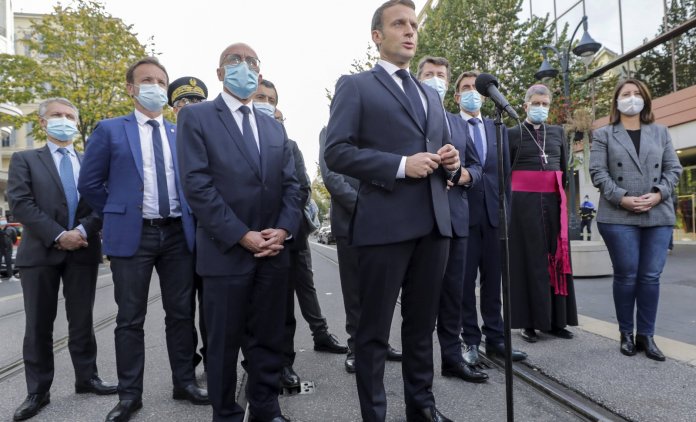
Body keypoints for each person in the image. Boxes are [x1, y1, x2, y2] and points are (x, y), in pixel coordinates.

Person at [324, 1, 462, 420]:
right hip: (384, 225)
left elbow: (435, 150)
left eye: (413, 25)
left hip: (434, 225)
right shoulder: (355, 86)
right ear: (377, 36)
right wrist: (400, 165)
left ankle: (423, 408)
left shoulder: (430, 95)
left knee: (421, 328)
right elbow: (336, 152)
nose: (409, 31)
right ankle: (375, 415)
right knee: (373, 332)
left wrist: (450, 160)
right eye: (399, 23)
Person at [177, 43, 302, 422]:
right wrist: (242, 235)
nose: (243, 67)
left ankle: (266, 408)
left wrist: (284, 229)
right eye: (234, 60)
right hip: (226, 253)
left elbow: (292, 185)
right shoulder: (196, 117)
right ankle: (227, 413)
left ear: (259, 74)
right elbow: (197, 186)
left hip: (273, 255)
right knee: (222, 345)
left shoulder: (273, 126)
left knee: (268, 340)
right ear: (219, 73)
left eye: (251, 62)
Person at [78, 57, 208, 422]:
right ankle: (129, 395)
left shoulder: (178, 133)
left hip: (177, 235)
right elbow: (89, 183)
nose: (155, 86)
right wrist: (118, 210)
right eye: (147, 80)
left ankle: (185, 382)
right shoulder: (109, 130)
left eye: (161, 81)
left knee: (181, 314)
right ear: (131, 88)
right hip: (133, 236)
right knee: (130, 319)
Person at [7, 98, 117, 421]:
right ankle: (38, 391)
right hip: (40, 252)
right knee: (38, 324)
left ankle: (87, 378)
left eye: (70, 116)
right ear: (43, 123)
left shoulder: (89, 161)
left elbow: (102, 202)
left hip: (83, 249)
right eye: (57, 115)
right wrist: (59, 235)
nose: (64, 120)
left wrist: (81, 230)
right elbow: (21, 203)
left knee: (82, 320)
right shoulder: (25, 159)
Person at [253, 80, 348, 391]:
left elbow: (301, 189)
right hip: (245, 237)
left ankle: (286, 361)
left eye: (271, 101)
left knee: (293, 296)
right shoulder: (232, 139)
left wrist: (283, 228)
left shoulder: (289, 146)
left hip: (288, 236)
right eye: (260, 98)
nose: (266, 106)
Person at [589, 78, 682, 361]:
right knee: (626, 275)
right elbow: (598, 172)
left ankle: (647, 335)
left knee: (651, 276)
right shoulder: (603, 134)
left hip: (658, 212)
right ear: (616, 102)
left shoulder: (661, 132)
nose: (631, 98)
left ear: (645, 99)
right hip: (618, 214)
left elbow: (673, 169)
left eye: (636, 93)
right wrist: (622, 198)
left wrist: (658, 194)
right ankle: (626, 333)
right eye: (626, 94)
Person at [417, 59, 490, 384]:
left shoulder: (459, 124)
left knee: (453, 296)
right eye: (429, 75)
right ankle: (418, 372)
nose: (436, 80)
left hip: (456, 220)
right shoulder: (409, 119)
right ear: (417, 79)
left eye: (441, 76)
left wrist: (459, 175)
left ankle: (452, 358)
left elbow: (477, 168)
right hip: (418, 220)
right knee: (419, 302)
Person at [449, 70, 529, 367]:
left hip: (494, 215)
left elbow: (505, 176)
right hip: (463, 214)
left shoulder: (498, 128)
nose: (472, 92)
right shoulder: (451, 125)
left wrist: (505, 211)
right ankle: (470, 339)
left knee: (493, 281)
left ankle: (496, 339)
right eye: (466, 87)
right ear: (457, 96)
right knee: (465, 282)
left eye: (475, 88)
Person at [319, 126, 404, 375]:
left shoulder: (376, 124)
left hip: (381, 221)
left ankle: (380, 343)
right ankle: (356, 348)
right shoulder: (329, 130)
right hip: (350, 220)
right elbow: (331, 175)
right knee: (354, 289)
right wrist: (364, 205)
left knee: (381, 289)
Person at [508, 84, 578, 343]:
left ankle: (556, 321)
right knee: (530, 261)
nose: (540, 108)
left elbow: (564, 170)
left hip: (553, 204)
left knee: (557, 259)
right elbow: (505, 172)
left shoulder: (558, 133)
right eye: (536, 103)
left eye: (545, 104)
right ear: (525, 106)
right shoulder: (511, 134)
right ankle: (529, 322)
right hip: (523, 207)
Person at [167, 76, 209, 372]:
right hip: (176, 237)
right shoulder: (165, 137)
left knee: (213, 306)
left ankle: (214, 360)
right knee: (180, 309)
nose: (190, 107)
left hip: (212, 233)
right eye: (183, 102)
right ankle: (185, 370)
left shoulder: (214, 137)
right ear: (173, 108)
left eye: (197, 101)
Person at [0, 217, 19, 282]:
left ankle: (11, 276)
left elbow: (14, 238)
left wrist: (10, 244)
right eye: (1, 220)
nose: (3, 222)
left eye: (4, 220)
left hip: (8, 248)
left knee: (8, 262)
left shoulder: (11, 229)